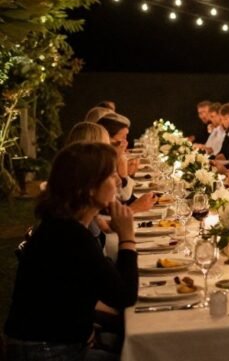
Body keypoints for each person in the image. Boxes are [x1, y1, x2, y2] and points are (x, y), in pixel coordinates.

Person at [4, 142, 139, 361]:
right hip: (46, 351)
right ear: (90, 187)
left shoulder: (64, 226)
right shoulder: (70, 236)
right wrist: (127, 238)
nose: (117, 181)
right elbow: (124, 296)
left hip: (51, 344)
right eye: (111, 175)